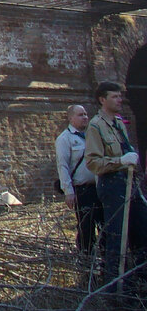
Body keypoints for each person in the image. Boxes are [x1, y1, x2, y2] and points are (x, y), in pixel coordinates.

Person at [85, 81, 147, 281]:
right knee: (117, 238)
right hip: (112, 185)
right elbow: (93, 163)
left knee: (142, 230)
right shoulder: (96, 126)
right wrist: (120, 161)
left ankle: (140, 282)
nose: (120, 100)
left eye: (121, 96)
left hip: (129, 182)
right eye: (115, 96)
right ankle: (116, 288)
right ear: (103, 100)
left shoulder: (119, 123)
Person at [57, 104, 102, 258]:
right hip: (82, 190)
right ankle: (86, 261)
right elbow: (62, 166)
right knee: (86, 228)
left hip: (99, 187)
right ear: (70, 118)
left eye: (85, 114)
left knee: (104, 225)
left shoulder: (92, 135)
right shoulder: (65, 139)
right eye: (80, 115)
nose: (85, 117)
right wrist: (68, 192)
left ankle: (105, 261)